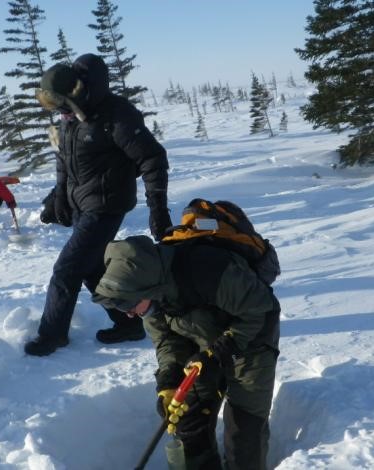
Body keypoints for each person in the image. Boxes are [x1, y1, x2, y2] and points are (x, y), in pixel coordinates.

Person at [23, 53, 172, 356]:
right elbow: (64, 160)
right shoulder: (69, 119)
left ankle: (52, 335)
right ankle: (129, 323)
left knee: (66, 269)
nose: (61, 114)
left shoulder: (116, 115)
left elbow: (152, 158)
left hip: (107, 205)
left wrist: (158, 209)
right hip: (82, 204)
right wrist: (58, 198)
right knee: (92, 268)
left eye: (64, 107)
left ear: (77, 93)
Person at [92, 235, 280, 470]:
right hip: (203, 341)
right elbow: (166, 340)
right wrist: (169, 380)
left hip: (251, 340)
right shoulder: (150, 302)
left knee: (244, 433)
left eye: (126, 305)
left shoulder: (211, 271)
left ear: (147, 289)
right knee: (189, 419)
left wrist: (219, 351)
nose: (127, 314)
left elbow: (259, 310)